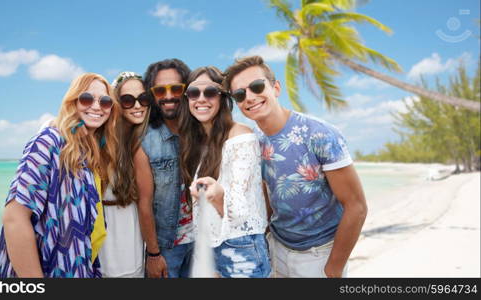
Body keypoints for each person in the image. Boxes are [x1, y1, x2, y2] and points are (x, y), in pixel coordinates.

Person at [218, 55, 368, 278]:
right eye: (240, 94)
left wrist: (333, 269)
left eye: (257, 86)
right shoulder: (254, 142)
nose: (249, 97)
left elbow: (356, 207)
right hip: (277, 249)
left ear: (276, 88)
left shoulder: (320, 134)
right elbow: (267, 196)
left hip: (319, 255)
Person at [0, 73, 119, 278]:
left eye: (105, 101)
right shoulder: (49, 141)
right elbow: (14, 218)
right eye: (87, 99)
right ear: (72, 102)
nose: (97, 106)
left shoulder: (89, 155)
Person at [182, 66, 270, 278]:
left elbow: (240, 212)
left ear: (222, 97)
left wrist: (217, 195)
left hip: (240, 246)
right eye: (194, 93)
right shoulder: (199, 142)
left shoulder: (241, 137)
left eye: (210, 92)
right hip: (209, 245)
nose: (201, 99)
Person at [134, 58, 193, 278]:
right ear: (152, 95)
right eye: (160, 90)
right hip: (168, 247)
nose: (168, 96)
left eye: (176, 88)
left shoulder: (200, 132)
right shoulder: (145, 142)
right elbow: (144, 203)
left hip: (203, 244)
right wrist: (153, 254)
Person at [97, 71, 150, 278]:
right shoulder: (100, 138)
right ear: (116, 102)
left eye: (143, 99)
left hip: (130, 230)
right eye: (128, 100)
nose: (137, 105)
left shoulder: (144, 139)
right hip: (103, 231)